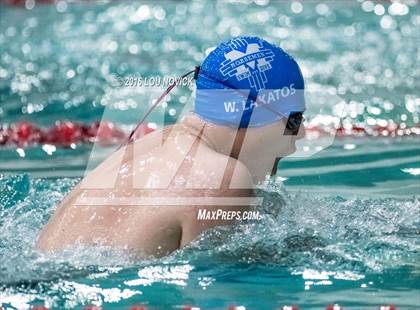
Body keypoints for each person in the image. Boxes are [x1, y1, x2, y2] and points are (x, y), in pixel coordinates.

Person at [36, 36, 305, 258]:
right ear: (255, 113)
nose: (302, 133)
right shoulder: (223, 178)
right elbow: (227, 285)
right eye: (294, 120)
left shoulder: (149, 146)